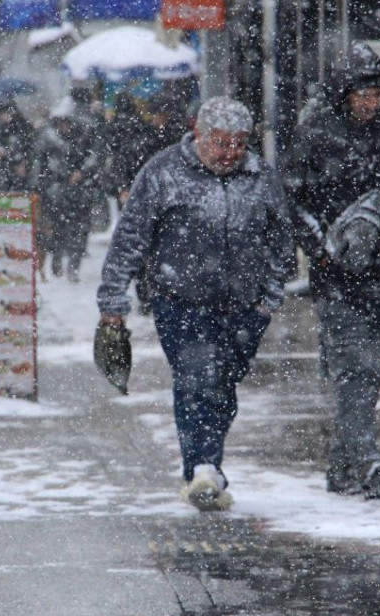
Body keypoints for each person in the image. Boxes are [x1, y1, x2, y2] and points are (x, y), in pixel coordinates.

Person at [97, 96, 293, 512]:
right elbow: (130, 239)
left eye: (239, 144)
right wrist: (112, 300)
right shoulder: (164, 172)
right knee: (195, 377)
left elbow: (282, 242)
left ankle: (208, 465)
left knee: (222, 385)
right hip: (179, 301)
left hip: (244, 305)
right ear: (199, 135)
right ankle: (202, 468)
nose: (230, 153)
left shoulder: (260, 177)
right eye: (221, 143)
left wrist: (268, 299)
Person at [283, 42, 380, 500]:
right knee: (352, 369)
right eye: (361, 93)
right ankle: (366, 457)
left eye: (377, 93)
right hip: (337, 276)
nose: (370, 102)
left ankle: (341, 468)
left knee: (369, 371)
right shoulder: (315, 135)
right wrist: (320, 248)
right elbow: (291, 201)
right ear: (342, 93)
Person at [33, 99, 102, 282]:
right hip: (58, 195)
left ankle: (73, 267)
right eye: (61, 123)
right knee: (58, 231)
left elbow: (94, 159)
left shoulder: (84, 139)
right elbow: (43, 167)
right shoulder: (50, 142)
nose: (64, 127)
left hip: (80, 194)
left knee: (79, 232)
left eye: (67, 123)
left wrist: (82, 173)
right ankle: (57, 260)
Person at [0, 98, 35, 192]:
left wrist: (21, 163)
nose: (4, 117)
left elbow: (28, 148)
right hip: (1, 172)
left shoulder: (22, 127)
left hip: (19, 171)